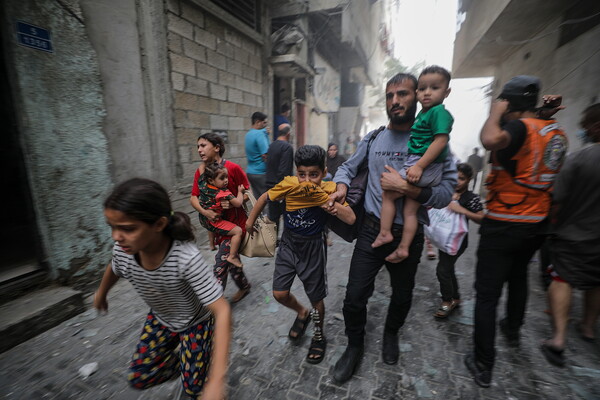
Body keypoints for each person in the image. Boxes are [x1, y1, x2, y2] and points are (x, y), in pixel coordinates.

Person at [328, 72, 457, 383]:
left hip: (408, 238)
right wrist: (341, 185)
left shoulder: (435, 144)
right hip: (371, 230)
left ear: (418, 97)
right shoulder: (373, 139)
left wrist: (408, 188)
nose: (395, 101)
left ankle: (390, 333)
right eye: (390, 95)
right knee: (354, 297)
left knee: (402, 296)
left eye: (403, 94)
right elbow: (346, 166)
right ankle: (354, 345)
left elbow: (445, 194)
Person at [465, 76, 568, 388]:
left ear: (509, 103)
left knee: (487, 295)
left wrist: (496, 112)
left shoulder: (517, 127)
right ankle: (511, 328)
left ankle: (483, 363)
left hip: (505, 222)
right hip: (536, 223)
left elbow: (490, 140)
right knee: (519, 276)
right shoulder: (553, 131)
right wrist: (542, 113)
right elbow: (532, 153)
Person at [94, 178, 231, 399]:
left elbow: (222, 310)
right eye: (113, 227)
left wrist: (217, 380)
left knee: (195, 388)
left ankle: (197, 370)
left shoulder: (186, 259)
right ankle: (190, 366)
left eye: (127, 229)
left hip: (196, 323)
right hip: (161, 318)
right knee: (140, 376)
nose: (116, 237)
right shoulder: (123, 249)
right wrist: (102, 293)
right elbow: (114, 267)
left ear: (158, 224)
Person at [246, 145, 356, 365]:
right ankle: (301, 312)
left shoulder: (329, 188)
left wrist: (329, 204)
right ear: (296, 172)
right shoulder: (289, 184)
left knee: (316, 299)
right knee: (279, 293)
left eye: (313, 175)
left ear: (324, 172)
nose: (306, 180)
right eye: (302, 174)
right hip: (288, 244)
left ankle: (318, 334)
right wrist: (249, 223)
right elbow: (264, 198)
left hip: (313, 248)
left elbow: (351, 218)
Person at [372, 65, 453, 263]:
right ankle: (403, 247)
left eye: (434, 88)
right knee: (410, 211)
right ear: (418, 93)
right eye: (423, 89)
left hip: (423, 166)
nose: (427, 93)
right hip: (420, 167)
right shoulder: (376, 136)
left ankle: (385, 233)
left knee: (389, 193)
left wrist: (416, 169)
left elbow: (440, 142)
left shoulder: (438, 113)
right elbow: (348, 168)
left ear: (447, 92)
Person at [541, 103, 600, 367]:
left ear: (595, 127)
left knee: (561, 280)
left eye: (584, 126)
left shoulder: (579, 159)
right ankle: (587, 327)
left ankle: (558, 339)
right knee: (596, 282)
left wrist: (550, 227)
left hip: (573, 235)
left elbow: (557, 198)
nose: (582, 131)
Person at [190, 133, 252, 303]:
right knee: (230, 260)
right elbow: (193, 197)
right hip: (216, 225)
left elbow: (247, 193)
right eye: (198, 146)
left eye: (203, 145)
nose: (199, 150)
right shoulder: (201, 171)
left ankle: (214, 306)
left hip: (234, 226)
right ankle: (244, 286)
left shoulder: (232, 168)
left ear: (216, 148)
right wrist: (205, 212)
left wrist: (232, 204)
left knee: (220, 266)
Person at [433, 163, 484, 318]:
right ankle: (456, 297)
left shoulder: (471, 198)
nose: (457, 181)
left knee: (442, 270)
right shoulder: (447, 192)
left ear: (469, 180)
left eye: (461, 178)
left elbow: (481, 218)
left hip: (457, 241)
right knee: (447, 268)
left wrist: (460, 209)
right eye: (455, 177)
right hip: (443, 238)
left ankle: (447, 301)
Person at [198, 162, 246, 268]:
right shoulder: (223, 192)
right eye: (222, 178)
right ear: (211, 180)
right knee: (238, 231)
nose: (226, 181)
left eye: (226, 177)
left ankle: (211, 244)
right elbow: (238, 203)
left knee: (210, 225)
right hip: (214, 221)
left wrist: (208, 165)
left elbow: (201, 167)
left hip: (203, 218)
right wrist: (240, 192)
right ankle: (232, 256)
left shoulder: (203, 183)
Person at [265, 123, 294, 231]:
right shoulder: (287, 147)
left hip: (269, 184)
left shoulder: (272, 145)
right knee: (288, 215)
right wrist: (283, 190)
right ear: (288, 134)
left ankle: (273, 241)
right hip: (281, 187)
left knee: (273, 216)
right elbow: (284, 170)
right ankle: (286, 241)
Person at [245, 111, 270, 199]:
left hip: (251, 172)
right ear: (258, 122)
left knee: (257, 200)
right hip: (261, 173)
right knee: (266, 199)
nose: (266, 125)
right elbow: (266, 154)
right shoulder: (260, 134)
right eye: (264, 123)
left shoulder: (248, 134)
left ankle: (260, 214)